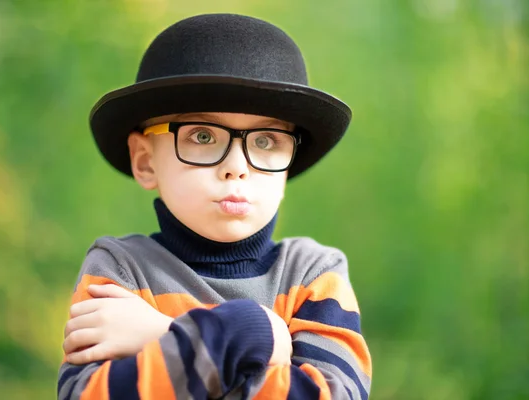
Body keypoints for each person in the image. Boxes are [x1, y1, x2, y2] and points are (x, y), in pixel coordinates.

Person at [57, 13, 372, 400]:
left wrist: (167, 334)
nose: (236, 168)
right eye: (202, 135)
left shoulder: (313, 275)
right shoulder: (120, 268)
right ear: (145, 160)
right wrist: (252, 332)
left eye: (266, 141)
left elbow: (331, 395)